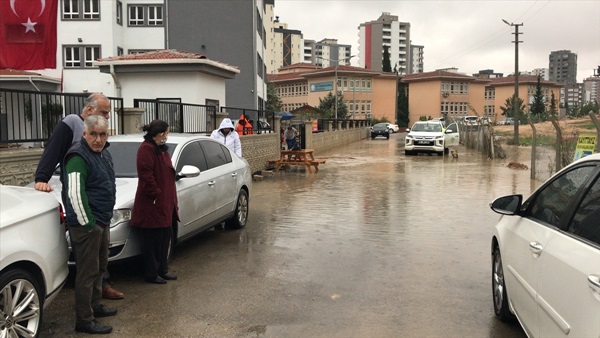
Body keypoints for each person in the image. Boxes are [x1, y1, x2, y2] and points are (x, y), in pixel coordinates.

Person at [33, 92, 124, 300]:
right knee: (88, 265)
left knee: (99, 262)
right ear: (89, 111)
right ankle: (87, 312)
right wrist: (42, 177)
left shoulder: (98, 137)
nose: (108, 117)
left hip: (100, 212)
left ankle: (98, 294)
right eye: (104, 112)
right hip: (85, 212)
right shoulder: (73, 123)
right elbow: (53, 150)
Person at [64, 115, 117, 334]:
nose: (98, 139)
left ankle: (95, 306)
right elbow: (75, 194)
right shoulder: (78, 157)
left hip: (101, 221)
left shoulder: (103, 153)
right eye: (93, 134)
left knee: (100, 266)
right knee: (87, 273)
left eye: (102, 134)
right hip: (87, 225)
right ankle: (84, 320)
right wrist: (89, 225)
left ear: (107, 135)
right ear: (84, 134)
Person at [130, 120, 179, 285]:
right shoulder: (146, 149)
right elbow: (146, 175)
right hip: (152, 204)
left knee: (165, 238)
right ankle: (151, 273)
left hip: (165, 203)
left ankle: (162, 270)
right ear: (161, 133)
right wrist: (156, 194)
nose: (167, 135)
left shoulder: (162, 150)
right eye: (167, 132)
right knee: (152, 241)